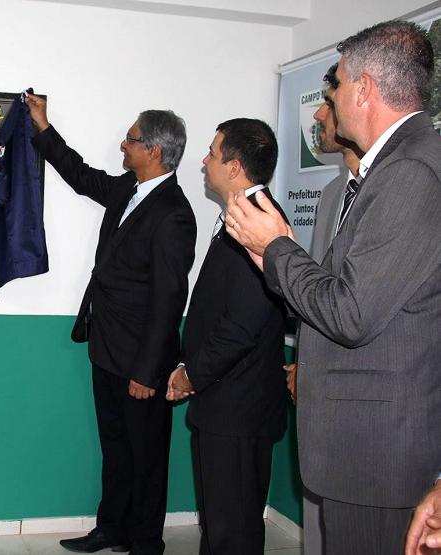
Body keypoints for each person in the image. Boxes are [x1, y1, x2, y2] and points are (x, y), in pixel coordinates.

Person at [224, 20, 441, 555]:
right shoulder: (391, 168)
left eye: (337, 85)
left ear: (364, 89)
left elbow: (351, 314)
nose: (331, 101)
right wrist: (270, 257)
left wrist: (278, 247)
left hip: (377, 458)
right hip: (365, 450)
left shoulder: (410, 171)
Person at [24, 94, 197, 555]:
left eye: (131, 139)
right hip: (107, 349)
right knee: (117, 449)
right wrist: (43, 127)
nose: (123, 144)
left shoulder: (174, 214)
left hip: (141, 362)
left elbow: (168, 301)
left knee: (147, 456)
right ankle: (112, 528)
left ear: (154, 151)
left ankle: (145, 542)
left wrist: (147, 371)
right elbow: (80, 175)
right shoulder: (128, 189)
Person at [166, 118, 287, 554]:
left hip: (239, 409)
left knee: (232, 533)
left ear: (235, 167)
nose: (204, 160)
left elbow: (241, 327)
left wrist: (191, 375)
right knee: (219, 530)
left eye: (213, 153)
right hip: (225, 404)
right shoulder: (241, 218)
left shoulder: (261, 224)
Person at [282, 62, 363, 555]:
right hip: (319, 391)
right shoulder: (334, 193)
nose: (318, 115)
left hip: (367, 411)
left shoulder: (398, 190)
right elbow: (320, 291)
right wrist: (306, 365)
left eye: (328, 103)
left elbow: (358, 306)